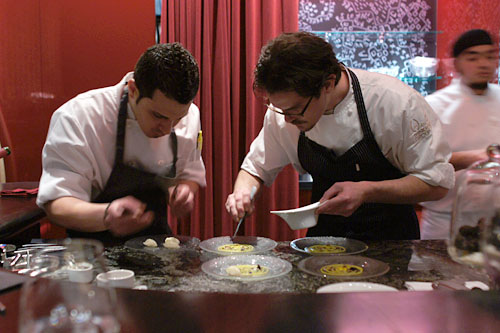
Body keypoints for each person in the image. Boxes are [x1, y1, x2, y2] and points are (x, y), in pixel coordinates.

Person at [225, 32, 454, 240]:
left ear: (328, 84)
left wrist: (367, 191)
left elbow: (437, 183)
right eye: (280, 109)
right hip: (324, 242)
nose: (287, 119)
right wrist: (242, 192)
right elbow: (256, 168)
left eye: (295, 110)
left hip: (391, 241)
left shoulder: (393, 102)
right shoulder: (285, 112)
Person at [37, 43, 206, 243]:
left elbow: (190, 173)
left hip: (157, 249)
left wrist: (184, 190)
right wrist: (107, 215)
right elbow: (56, 205)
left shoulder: (189, 115)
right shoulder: (80, 118)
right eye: (158, 116)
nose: (167, 129)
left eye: (177, 118)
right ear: (133, 89)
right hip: (93, 253)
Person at [420, 29, 500, 240]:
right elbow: (420, 165)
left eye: (490, 56)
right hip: (444, 221)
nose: (483, 64)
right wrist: (473, 157)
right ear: (456, 64)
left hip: (495, 221)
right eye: (473, 57)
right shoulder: (434, 105)